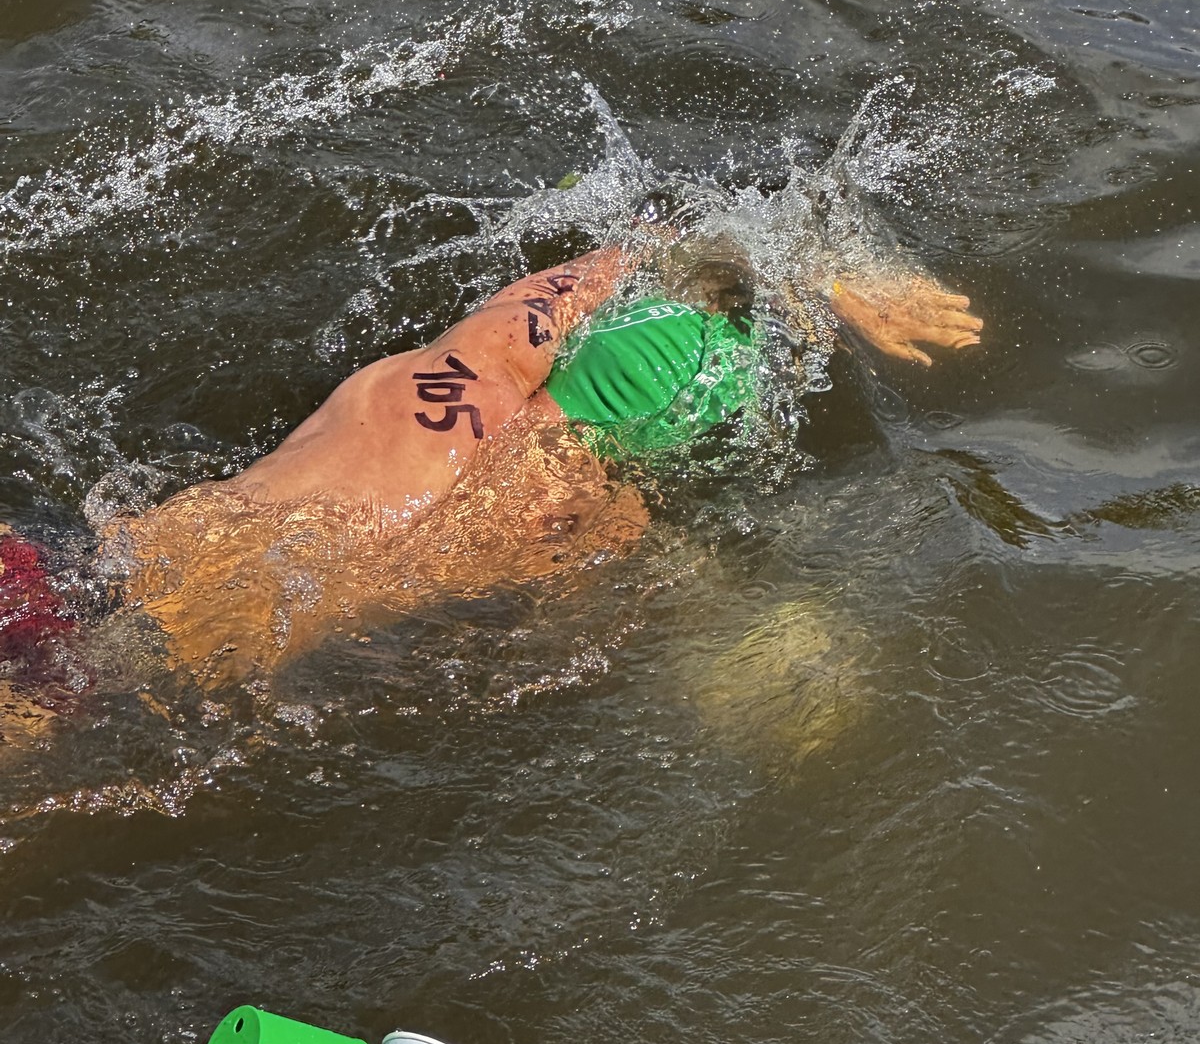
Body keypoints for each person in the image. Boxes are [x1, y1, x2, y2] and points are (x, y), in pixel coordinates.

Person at [1, 215, 981, 722]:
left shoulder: (482, 357)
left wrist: (811, 271)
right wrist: (826, 282)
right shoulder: (568, 527)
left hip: (62, 561)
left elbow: (650, 246)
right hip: (107, 668)